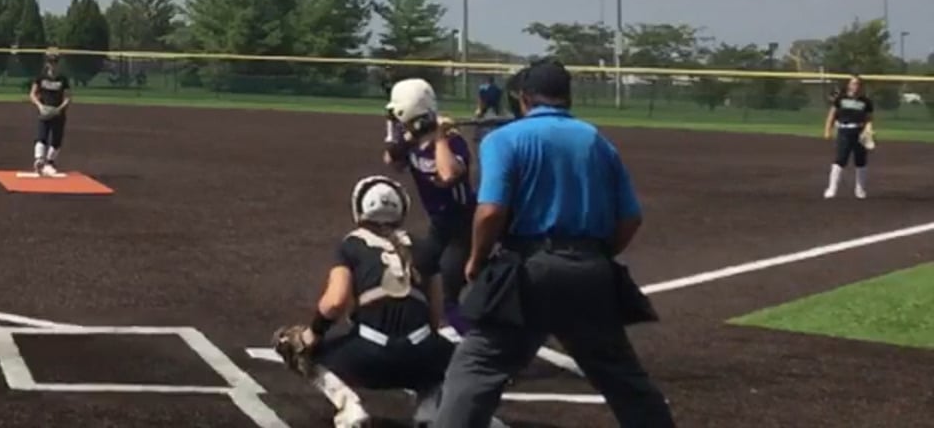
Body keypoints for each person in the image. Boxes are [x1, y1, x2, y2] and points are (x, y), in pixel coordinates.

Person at [431, 58, 675, 427]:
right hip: (590, 271)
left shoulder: (504, 139)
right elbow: (630, 218)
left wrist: (477, 259)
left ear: (524, 98)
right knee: (624, 380)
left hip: (528, 272)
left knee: (476, 368)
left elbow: (491, 211)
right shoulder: (596, 141)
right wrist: (595, 255)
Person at [272, 176, 507, 428]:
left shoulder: (351, 244)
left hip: (367, 357)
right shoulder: (425, 248)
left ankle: (350, 408)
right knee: (455, 362)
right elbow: (434, 316)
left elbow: (334, 302)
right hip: (421, 355)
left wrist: (312, 334)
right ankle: (428, 410)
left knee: (295, 348)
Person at [383, 79, 477, 332]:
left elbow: (448, 175)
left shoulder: (452, 141)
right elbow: (393, 161)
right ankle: (428, 327)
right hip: (439, 225)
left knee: (448, 290)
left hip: (464, 226)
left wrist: (439, 137)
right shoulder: (411, 140)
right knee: (419, 270)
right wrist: (396, 133)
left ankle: (472, 340)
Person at [823, 74, 876, 199]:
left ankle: (860, 190)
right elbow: (832, 115)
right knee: (840, 159)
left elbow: (868, 119)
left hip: (859, 132)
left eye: (858, 84)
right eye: (853, 83)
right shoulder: (841, 99)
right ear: (849, 85)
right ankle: (832, 189)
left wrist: (868, 131)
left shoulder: (866, 102)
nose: (856, 86)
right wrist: (828, 130)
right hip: (844, 131)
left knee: (860, 161)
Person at [30, 50, 71, 177]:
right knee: (41, 136)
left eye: (55, 62)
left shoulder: (62, 79)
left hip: (58, 113)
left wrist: (59, 109)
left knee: (56, 140)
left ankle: (49, 163)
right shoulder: (41, 78)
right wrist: (40, 106)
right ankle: (39, 160)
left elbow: (67, 97)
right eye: (50, 62)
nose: (53, 64)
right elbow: (32, 94)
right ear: (46, 63)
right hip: (45, 112)